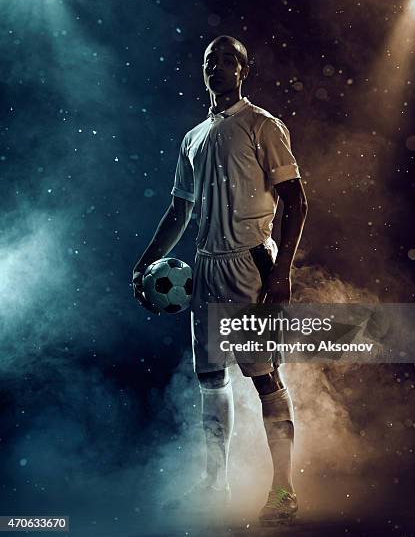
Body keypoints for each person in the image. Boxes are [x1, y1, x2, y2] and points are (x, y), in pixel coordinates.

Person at [132, 35, 307, 525]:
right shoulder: (192, 137)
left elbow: (296, 201)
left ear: (243, 70)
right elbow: (178, 209)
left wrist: (282, 274)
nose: (218, 67)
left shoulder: (261, 125)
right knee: (211, 379)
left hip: (250, 265)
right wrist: (145, 262)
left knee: (262, 374)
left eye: (228, 59)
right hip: (206, 266)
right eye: (211, 60)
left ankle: (283, 491)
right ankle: (215, 481)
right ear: (203, 71)